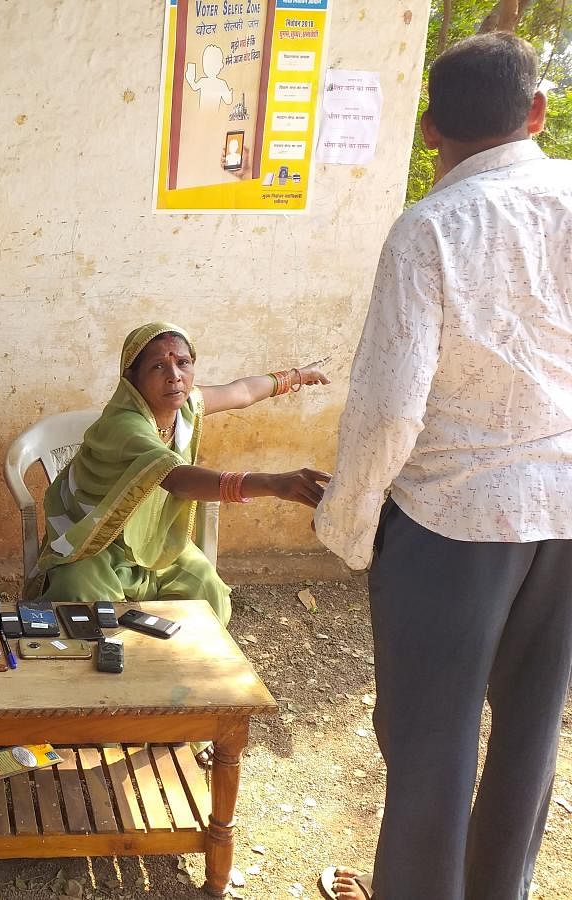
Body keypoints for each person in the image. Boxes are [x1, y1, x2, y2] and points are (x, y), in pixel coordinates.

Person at [312, 32, 572, 900]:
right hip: (564, 512)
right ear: (535, 112)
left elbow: (389, 407)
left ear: (429, 130)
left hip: (454, 522)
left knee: (432, 745)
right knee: (530, 734)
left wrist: (348, 527)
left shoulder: (429, 230)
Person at [38, 322, 331, 629]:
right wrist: (272, 483)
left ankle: (182, 669)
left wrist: (297, 377)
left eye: (183, 363)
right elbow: (177, 478)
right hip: (96, 542)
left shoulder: (186, 406)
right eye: (158, 366)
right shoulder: (123, 426)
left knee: (208, 591)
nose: (174, 376)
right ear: (131, 378)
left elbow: (241, 391)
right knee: (87, 608)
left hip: (157, 539)